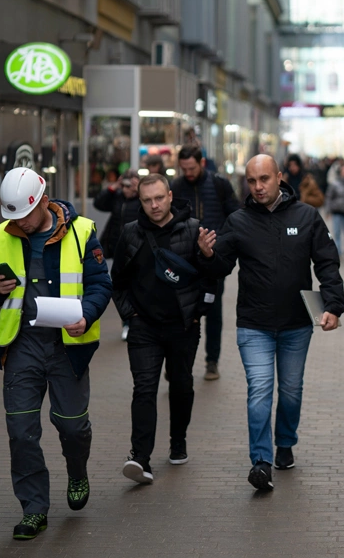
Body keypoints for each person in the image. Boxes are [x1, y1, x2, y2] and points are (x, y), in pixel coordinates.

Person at [0, 168, 112, 541]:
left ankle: (77, 471)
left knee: (71, 425)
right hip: (22, 348)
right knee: (21, 432)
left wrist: (86, 315)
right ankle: (34, 509)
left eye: (24, 213)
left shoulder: (82, 231)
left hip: (67, 348)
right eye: (12, 215)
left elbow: (101, 284)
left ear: (42, 200)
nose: (18, 221)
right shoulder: (3, 237)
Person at [200, 155, 344, 491]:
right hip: (254, 324)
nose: (258, 187)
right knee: (260, 390)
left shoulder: (306, 216)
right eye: (251, 181)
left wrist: (334, 306)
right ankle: (261, 462)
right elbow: (220, 265)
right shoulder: (238, 220)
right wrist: (207, 254)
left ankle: (285, 443)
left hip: (296, 324)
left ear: (279, 177)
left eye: (264, 179)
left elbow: (327, 263)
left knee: (291, 391)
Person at [109, 174, 218, 484]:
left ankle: (178, 441)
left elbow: (211, 275)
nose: (154, 205)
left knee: (182, 385)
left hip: (183, 326)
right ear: (140, 202)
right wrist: (130, 315)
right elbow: (117, 281)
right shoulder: (131, 233)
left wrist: (200, 311)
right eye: (147, 200)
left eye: (159, 198)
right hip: (144, 328)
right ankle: (140, 457)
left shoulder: (194, 229)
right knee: (144, 388)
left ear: (170, 196)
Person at [170, 144, 240, 381]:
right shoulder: (176, 187)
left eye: (191, 168)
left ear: (200, 163)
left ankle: (212, 361)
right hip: (184, 262)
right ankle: (178, 364)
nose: (188, 173)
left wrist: (223, 244)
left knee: (213, 311)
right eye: (184, 168)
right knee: (180, 312)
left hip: (213, 260)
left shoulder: (220, 185)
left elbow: (235, 215)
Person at [94, 171, 141, 340]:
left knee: (134, 287)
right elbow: (99, 203)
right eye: (125, 185)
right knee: (121, 287)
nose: (127, 189)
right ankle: (127, 323)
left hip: (136, 250)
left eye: (130, 186)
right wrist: (113, 187)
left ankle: (135, 322)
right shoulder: (118, 197)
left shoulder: (142, 200)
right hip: (117, 248)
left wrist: (140, 190)